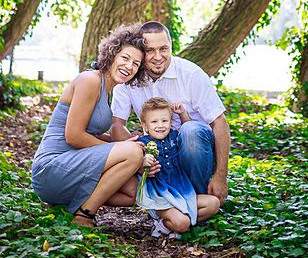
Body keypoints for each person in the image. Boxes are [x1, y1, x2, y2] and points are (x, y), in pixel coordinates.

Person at [31, 23, 149, 227]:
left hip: (73, 162)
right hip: (51, 167)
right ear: (112, 54)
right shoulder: (90, 80)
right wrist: (122, 149)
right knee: (132, 154)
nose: (129, 66)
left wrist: (122, 141)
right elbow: (74, 136)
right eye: (125, 58)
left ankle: (69, 203)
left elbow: (88, 132)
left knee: (130, 192)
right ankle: (84, 215)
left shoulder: (108, 90)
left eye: (136, 64)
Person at [110, 21, 230, 205]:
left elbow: (219, 122)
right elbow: (118, 124)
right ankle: (172, 202)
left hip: (197, 153)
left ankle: (195, 197)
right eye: (150, 50)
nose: (158, 57)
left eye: (163, 49)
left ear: (171, 47)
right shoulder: (129, 77)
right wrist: (138, 160)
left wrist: (221, 176)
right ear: (141, 50)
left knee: (190, 130)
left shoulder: (191, 74)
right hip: (161, 155)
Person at [136, 97, 220, 237]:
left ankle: (177, 221)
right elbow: (132, 158)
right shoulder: (142, 143)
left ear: (170, 122)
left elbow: (190, 134)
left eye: (164, 121)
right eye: (154, 121)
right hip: (161, 196)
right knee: (182, 223)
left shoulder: (174, 137)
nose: (160, 125)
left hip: (182, 192)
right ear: (145, 126)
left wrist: (182, 114)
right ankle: (163, 223)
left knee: (213, 204)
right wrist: (142, 160)